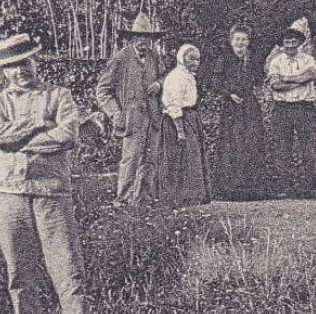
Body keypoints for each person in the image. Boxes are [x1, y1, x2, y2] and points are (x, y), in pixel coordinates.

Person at [0, 34, 91, 314]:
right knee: (19, 269)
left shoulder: (59, 96)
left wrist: (20, 143)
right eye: (13, 66)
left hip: (51, 191)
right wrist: (39, 126)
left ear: (35, 60)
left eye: (25, 62)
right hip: (8, 193)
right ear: (4, 71)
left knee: (66, 265)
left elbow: (67, 136)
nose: (20, 71)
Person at [94, 14, 166, 206]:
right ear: (132, 38)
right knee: (130, 159)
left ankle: (144, 200)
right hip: (132, 117)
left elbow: (164, 77)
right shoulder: (121, 58)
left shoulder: (154, 57)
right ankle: (123, 201)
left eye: (147, 37)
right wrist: (116, 112)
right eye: (139, 37)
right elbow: (102, 91)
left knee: (150, 160)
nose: (143, 41)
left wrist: (159, 84)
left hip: (153, 116)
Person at [265, 27, 316, 195]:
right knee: (283, 147)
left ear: (299, 43)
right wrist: (300, 81)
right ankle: (284, 187)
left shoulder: (308, 59)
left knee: (308, 146)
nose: (290, 45)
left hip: (304, 107)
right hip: (283, 108)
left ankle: (309, 187)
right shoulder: (276, 61)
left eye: (293, 41)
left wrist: (288, 79)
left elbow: (311, 74)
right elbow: (275, 85)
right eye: (286, 42)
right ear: (282, 44)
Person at [214, 24, 267, 200]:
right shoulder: (224, 59)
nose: (240, 42)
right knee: (232, 143)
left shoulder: (252, 59)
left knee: (251, 141)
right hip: (232, 107)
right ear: (231, 41)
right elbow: (216, 81)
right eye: (237, 39)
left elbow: (259, 79)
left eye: (243, 39)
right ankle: (230, 189)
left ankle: (251, 188)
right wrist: (229, 93)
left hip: (249, 105)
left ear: (248, 41)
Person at [154, 43, 209, 207]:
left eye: (197, 59)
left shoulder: (188, 76)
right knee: (180, 157)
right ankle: (178, 196)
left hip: (190, 118)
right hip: (177, 120)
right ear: (181, 58)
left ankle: (192, 195)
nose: (195, 62)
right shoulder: (176, 77)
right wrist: (180, 130)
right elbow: (173, 104)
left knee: (192, 156)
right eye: (190, 58)